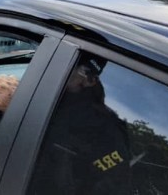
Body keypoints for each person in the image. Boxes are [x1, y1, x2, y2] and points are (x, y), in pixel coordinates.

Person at [30, 54, 132, 194]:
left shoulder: (101, 125)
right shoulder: (58, 97)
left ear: (89, 80)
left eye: (71, 65)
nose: (63, 69)